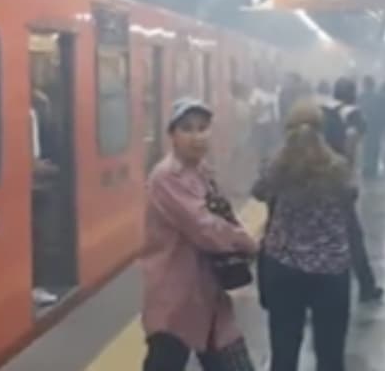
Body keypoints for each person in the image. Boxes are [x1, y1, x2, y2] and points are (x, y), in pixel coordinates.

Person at [142, 98, 259, 371]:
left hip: (209, 294)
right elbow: (205, 228)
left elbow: (222, 216)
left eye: (203, 128)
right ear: (172, 135)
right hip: (176, 297)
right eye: (187, 129)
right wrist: (247, 242)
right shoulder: (167, 177)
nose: (197, 136)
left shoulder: (202, 171)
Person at [254, 99, 356, 371]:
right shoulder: (338, 167)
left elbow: (258, 192)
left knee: (284, 352)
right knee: (330, 355)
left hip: (283, 266)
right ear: (321, 130)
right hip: (332, 269)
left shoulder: (274, 167)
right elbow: (350, 198)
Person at [318, 78, 383, 303]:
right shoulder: (353, 114)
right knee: (353, 236)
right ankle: (366, 286)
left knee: (319, 232)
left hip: (316, 177)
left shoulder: (322, 110)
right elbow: (352, 142)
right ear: (353, 94)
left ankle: (316, 285)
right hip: (337, 181)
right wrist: (348, 174)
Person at [357, 76, 382, 179]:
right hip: (375, 126)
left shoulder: (361, 96)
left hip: (367, 125)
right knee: (374, 147)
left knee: (367, 147)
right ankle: (372, 168)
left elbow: (359, 110)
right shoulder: (378, 97)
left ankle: (367, 168)